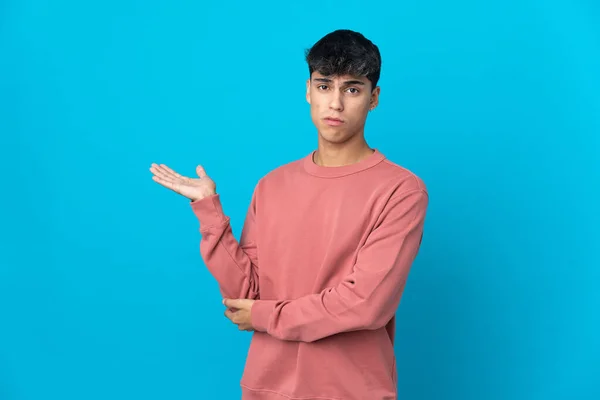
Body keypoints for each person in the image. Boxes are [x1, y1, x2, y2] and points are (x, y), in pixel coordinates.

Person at [150, 29, 428, 400]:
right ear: (308, 91)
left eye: (352, 89)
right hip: (268, 387)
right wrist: (209, 211)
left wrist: (266, 316)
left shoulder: (400, 190)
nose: (336, 104)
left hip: (349, 391)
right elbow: (246, 294)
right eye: (325, 86)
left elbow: (366, 305)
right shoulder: (272, 185)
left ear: (373, 98)